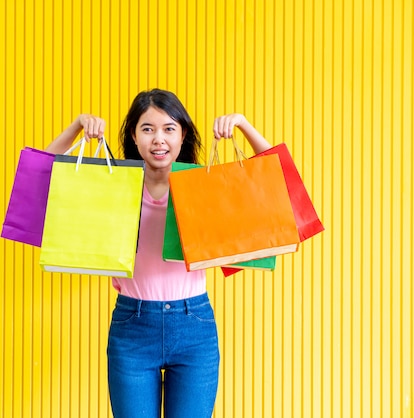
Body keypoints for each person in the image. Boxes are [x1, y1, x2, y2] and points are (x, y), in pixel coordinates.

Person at [45, 89, 271, 418]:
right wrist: (77, 127)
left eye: (169, 129)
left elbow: (273, 178)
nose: (158, 139)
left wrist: (244, 125)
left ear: (182, 137)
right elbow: (41, 175)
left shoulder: (203, 185)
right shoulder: (113, 186)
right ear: (134, 138)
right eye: (147, 129)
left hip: (194, 327)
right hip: (132, 327)